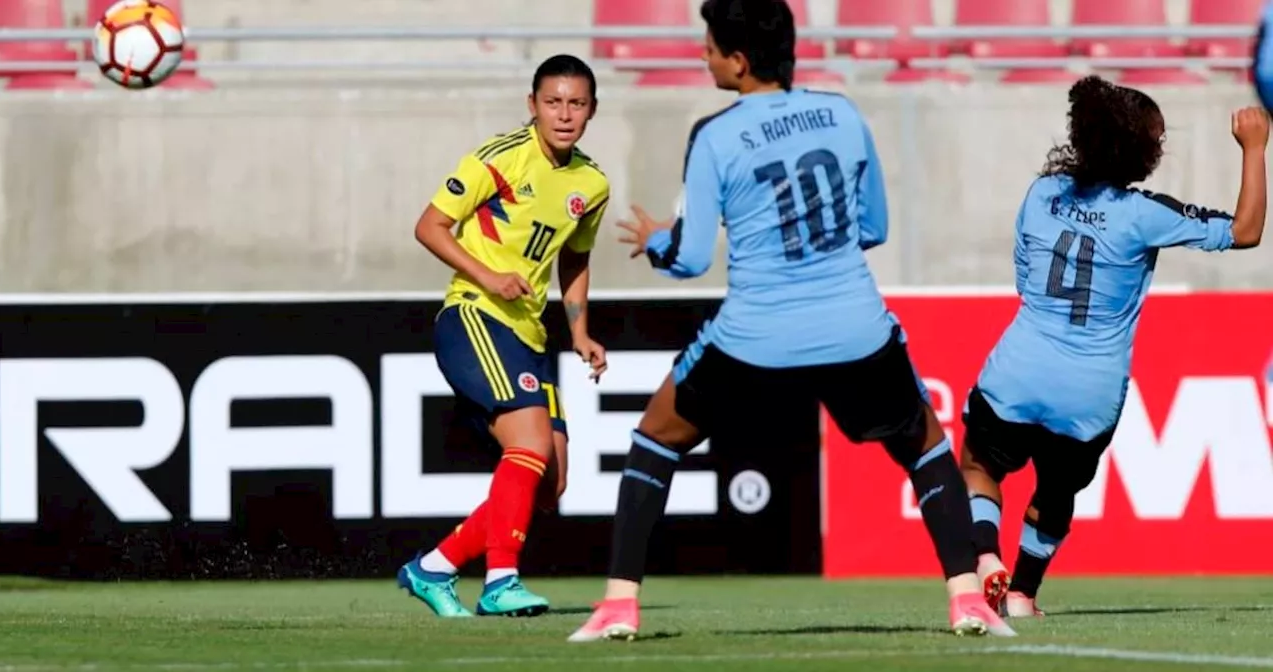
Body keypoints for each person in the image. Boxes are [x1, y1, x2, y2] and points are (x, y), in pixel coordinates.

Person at [567, 0, 1015, 642]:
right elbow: (875, 228)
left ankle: (617, 606)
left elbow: (692, 259)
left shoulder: (716, 134)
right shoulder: (843, 113)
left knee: (654, 439)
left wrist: (662, 242)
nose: (703, 55)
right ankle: (967, 598)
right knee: (926, 448)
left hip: (756, 336)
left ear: (740, 62)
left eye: (710, 46)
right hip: (854, 326)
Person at [960, 75, 1268, 619]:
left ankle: (985, 554)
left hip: (1021, 365)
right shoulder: (1145, 214)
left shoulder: (1041, 193)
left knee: (980, 465)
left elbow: (1026, 279)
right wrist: (1254, 147)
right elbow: (1245, 231)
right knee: (1055, 493)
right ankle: (1024, 595)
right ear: (1141, 153)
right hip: (1090, 389)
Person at [397, 54, 611, 618]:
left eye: (577, 103)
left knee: (551, 483)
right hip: (474, 315)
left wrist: (581, 332)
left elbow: (575, 259)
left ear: (592, 111)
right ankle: (500, 580)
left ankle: (434, 568)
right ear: (532, 105)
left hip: (529, 334)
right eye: (553, 102)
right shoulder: (502, 158)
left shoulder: (591, 183)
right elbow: (429, 225)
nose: (564, 114)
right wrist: (488, 276)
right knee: (530, 445)